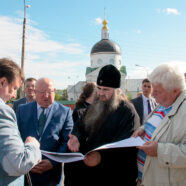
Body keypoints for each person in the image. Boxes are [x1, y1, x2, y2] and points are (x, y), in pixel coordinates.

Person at [66, 64, 140, 186]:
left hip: (113, 177)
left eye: (106, 89)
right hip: (89, 174)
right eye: (99, 88)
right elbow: (81, 126)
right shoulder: (95, 105)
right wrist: (76, 136)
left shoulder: (127, 112)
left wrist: (100, 158)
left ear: (117, 91)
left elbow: (126, 148)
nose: (100, 93)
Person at [133, 63, 186, 186]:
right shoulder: (163, 103)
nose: (152, 94)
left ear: (175, 91)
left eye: (157, 91)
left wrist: (159, 150)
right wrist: (142, 129)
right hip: (145, 178)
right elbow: (153, 125)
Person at [16, 77, 74, 186]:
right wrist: (26, 160)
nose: (46, 96)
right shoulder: (22, 110)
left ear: (54, 91)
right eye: (42, 92)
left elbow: (66, 140)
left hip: (51, 176)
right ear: (35, 92)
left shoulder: (65, 112)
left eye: (49, 92)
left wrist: (53, 162)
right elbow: (16, 137)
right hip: (26, 174)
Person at [0, 58, 41, 186]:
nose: (14, 96)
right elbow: (19, 163)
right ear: (2, 82)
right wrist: (33, 145)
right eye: (14, 88)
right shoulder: (3, 111)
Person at [64, 81, 97, 186]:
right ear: (93, 93)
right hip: (79, 160)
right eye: (98, 90)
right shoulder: (80, 111)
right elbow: (78, 134)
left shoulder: (96, 109)